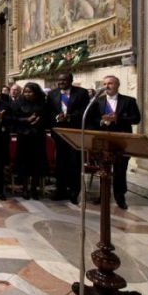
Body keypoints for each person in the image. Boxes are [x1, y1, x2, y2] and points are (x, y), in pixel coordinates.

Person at [95, 75, 141, 209]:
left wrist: (118, 118)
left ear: (117, 85)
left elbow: (136, 118)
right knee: (103, 169)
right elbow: (93, 119)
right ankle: (103, 195)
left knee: (120, 169)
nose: (107, 86)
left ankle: (120, 197)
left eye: (110, 83)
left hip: (122, 140)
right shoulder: (98, 101)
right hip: (103, 140)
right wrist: (102, 120)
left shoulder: (129, 101)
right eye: (105, 84)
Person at [48, 72, 92, 204]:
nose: (61, 82)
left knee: (74, 162)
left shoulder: (81, 93)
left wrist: (69, 117)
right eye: (59, 80)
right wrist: (57, 117)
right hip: (59, 132)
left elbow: (85, 111)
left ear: (71, 80)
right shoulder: (52, 94)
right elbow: (49, 111)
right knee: (60, 162)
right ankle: (60, 190)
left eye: (64, 80)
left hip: (75, 132)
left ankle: (74, 191)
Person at [11, 83, 50, 200]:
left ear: (36, 92)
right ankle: (25, 188)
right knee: (24, 163)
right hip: (24, 136)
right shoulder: (18, 102)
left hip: (37, 136)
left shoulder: (43, 102)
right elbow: (13, 118)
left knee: (36, 163)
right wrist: (26, 120)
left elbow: (47, 117)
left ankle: (34, 188)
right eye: (25, 92)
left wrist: (38, 121)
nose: (27, 94)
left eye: (30, 92)